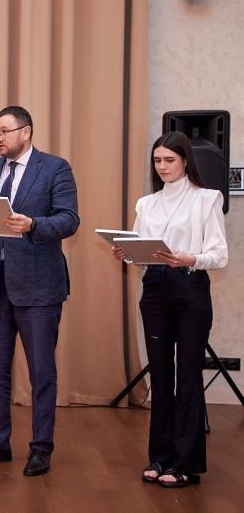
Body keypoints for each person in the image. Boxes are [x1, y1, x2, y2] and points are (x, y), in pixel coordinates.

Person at [0, 105, 79, 476]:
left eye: (4, 131)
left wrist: (33, 224)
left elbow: (69, 219)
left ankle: (41, 448)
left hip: (39, 287)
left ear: (25, 132)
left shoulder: (54, 168)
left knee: (41, 372)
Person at [112, 131, 227, 488]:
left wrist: (190, 258)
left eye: (169, 160)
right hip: (155, 288)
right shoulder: (146, 204)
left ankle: (186, 464)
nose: (162, 166)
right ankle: (160, 457)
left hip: (190, 287)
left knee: (188, 376)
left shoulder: (207, 199)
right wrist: (126, 253)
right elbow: (140, 251)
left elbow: (219, 255)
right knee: (161, 376)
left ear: (186, 160)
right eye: (157, 160)